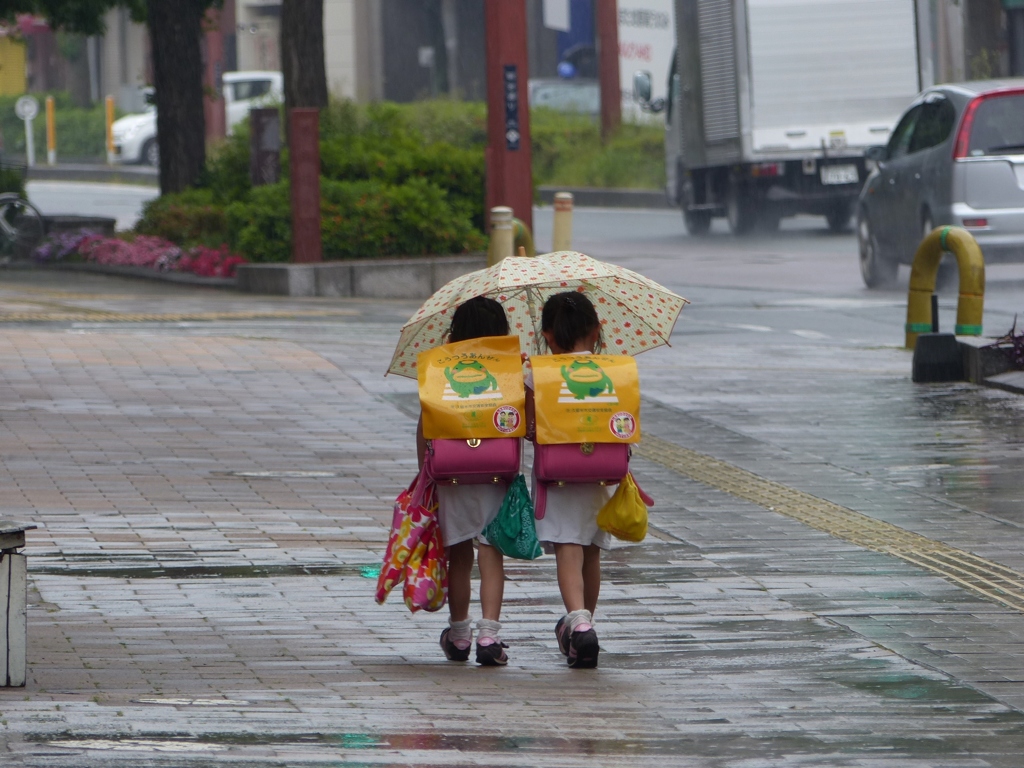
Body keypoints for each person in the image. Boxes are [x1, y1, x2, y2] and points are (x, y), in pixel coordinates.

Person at [416, 296, 512, 666]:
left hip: (451, 474)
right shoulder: (509, 370)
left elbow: (425, 428)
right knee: (491, 553)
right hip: (495, 473)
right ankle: (489, 635)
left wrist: (426, 473)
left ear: (455, 333)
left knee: (458, 553)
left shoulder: (438, 368)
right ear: (501, 332)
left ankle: (459, 636)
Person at [527, 291, 611, 669]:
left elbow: (528, 427)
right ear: (596, 331)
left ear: (548, 335)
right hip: (601, 473)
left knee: (567, 546)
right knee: (591, 548)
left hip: (558, 474)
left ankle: (577, 622)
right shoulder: (613, 369)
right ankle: (585, 628)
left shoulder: (537, 373)